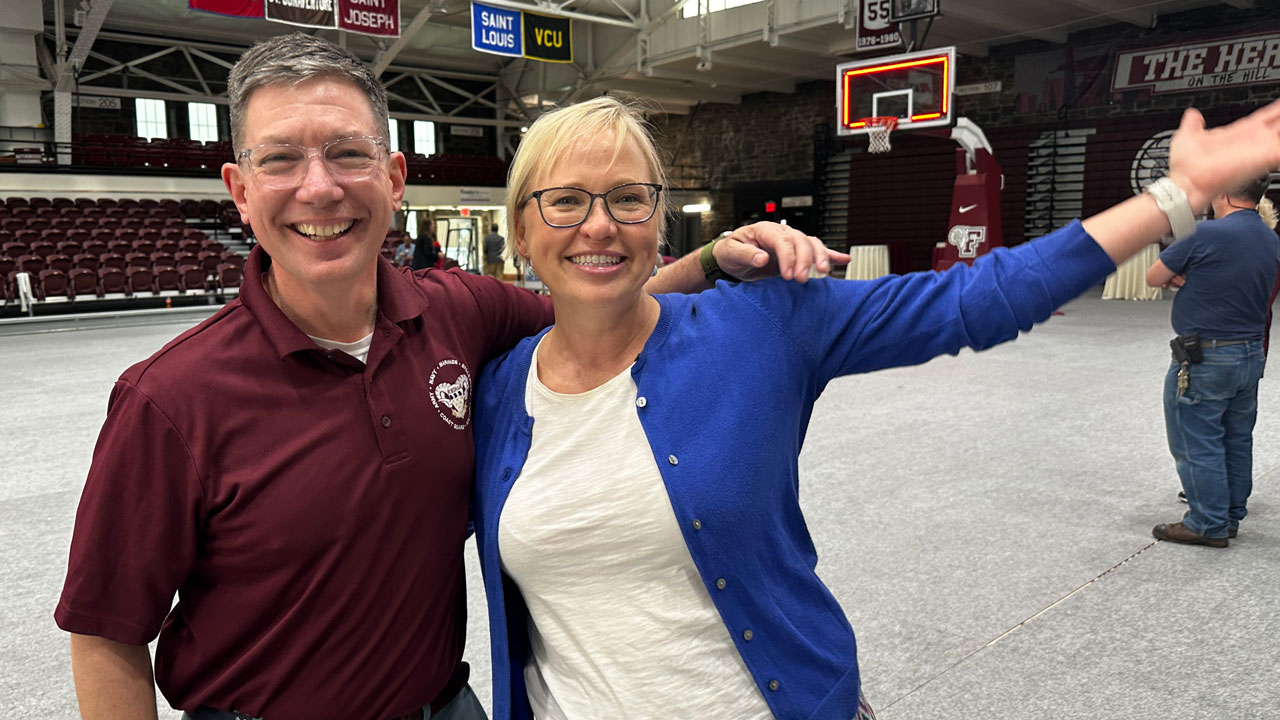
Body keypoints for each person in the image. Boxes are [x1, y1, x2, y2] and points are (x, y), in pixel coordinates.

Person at [54, 33, 840, 720]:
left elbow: (590, 303)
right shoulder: (169, 399)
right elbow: (105, 632)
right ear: (241, 190)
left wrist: (709, 258)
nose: (319, 187)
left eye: (348, 153)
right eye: (282, 159)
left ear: (394, 178)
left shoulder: (460, 312)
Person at [472, 96, 1280, 719]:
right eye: (566, 201)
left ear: (659, 222)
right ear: (519, 228)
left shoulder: (764, 326)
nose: (599, 225)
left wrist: (1179, 196)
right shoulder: (498, 387)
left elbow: (983, 297)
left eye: (628, 199)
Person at [1145, 174, 1279, 547]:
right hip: (1251, 352)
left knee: (1197, 437)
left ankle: (1207, 522)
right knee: (1237, 438)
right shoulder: (1270, 240)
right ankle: (1231, 513)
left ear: (1221, 193)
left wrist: (1183, 278)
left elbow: (1154, 276)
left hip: (1206, 355)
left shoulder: (1205, 235)